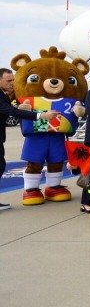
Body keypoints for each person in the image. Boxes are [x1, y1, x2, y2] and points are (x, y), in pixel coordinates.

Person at [0, 68, 48, 210]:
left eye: (13, 80)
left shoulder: (5, 95)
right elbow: (10, 111)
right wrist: (40, 116)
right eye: (9, 81)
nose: (12, 83)